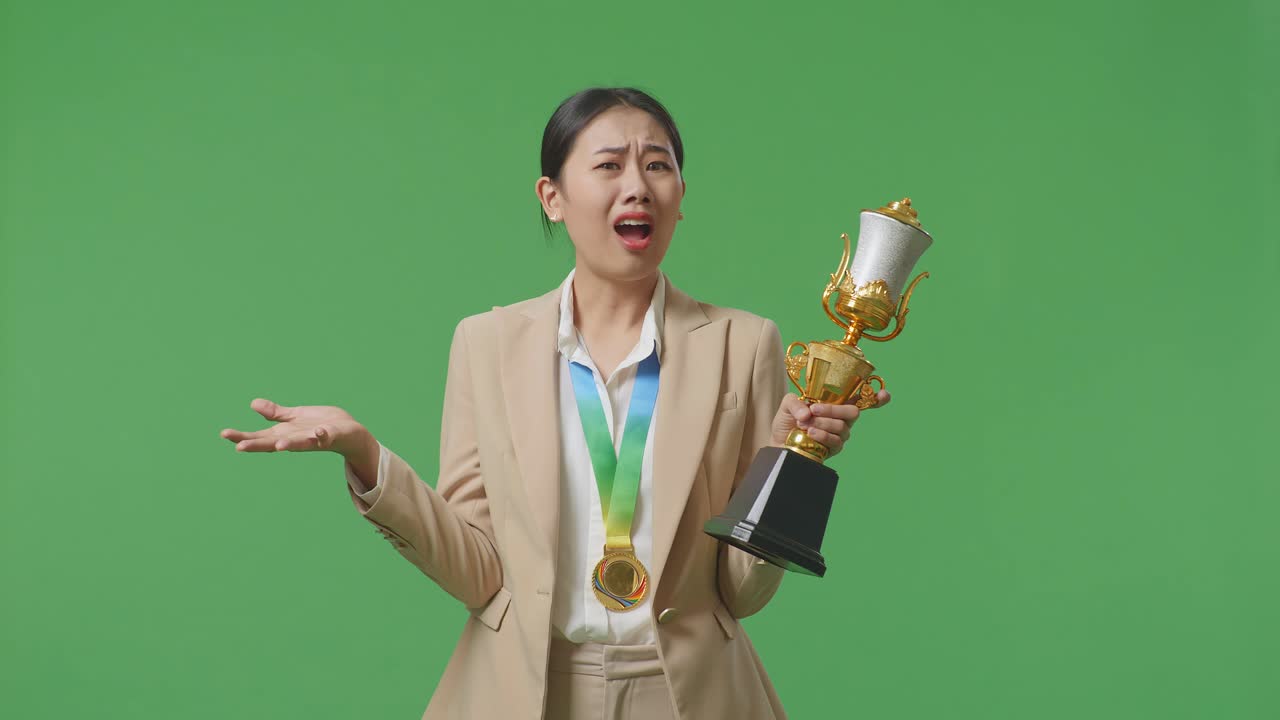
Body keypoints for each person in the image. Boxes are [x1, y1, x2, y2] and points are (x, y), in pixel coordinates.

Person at [219, 87, 889, 720]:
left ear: (680, 196)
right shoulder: (486, 344)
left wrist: (793, 460)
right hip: (530, 690)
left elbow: (741, 593)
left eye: (658, 165)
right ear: (552, 196)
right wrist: (365, 456)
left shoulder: (745, 344)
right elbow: (478, 574)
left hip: (686, 694)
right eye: (608, 164)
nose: (638, 185)